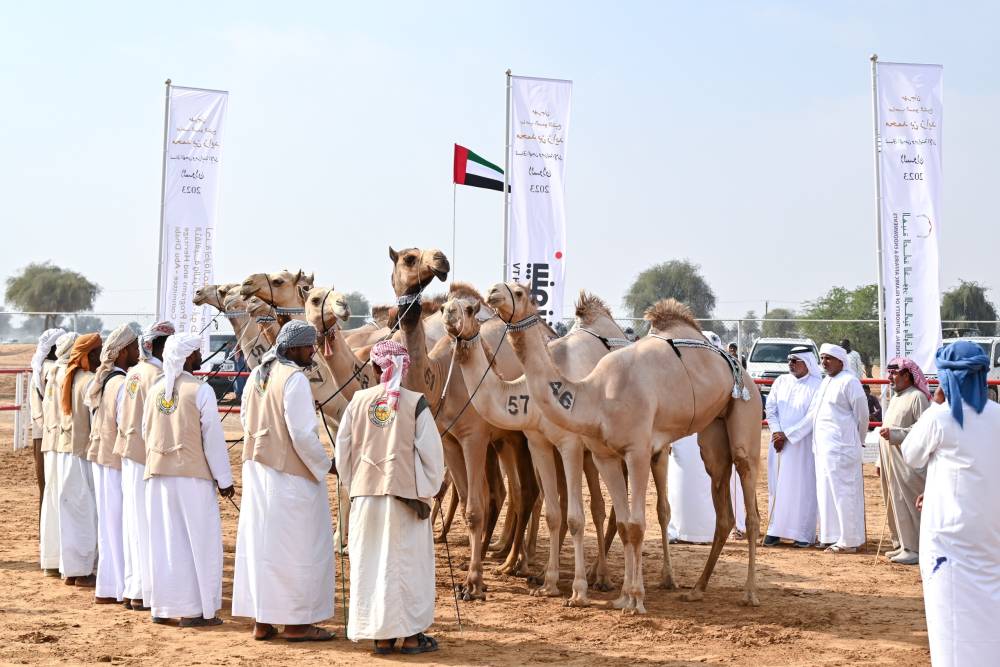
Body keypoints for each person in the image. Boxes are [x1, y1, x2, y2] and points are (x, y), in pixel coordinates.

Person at [335, 340, 445, 655]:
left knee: (371, 566)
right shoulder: (416, 403)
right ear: (405, 369)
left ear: (373, 368)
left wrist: (355, 484)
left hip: (366, 498)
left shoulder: (357, 401)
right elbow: (433, 459)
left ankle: (381, 638)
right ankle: (410, 638)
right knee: (406, 567)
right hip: (405, 500)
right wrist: (424, 491)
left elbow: (343, 452)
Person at [233, 321, 336, 642]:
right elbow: (303, 435)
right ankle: (296, 625)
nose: (313, 352)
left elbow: (245, 420)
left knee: (262, 547)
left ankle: (262, 621)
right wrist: (327, 465)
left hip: (258, 472)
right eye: (309, 347)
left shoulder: (257, 376)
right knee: (298, 549)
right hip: (291, 478)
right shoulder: (294, 379)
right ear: (292, 348)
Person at [902, 341, 1000, 665]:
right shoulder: (998, 417)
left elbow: (911, 454)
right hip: (991, 532)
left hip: (949, 539)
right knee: (990, 605)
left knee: (950, 619)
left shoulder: (940, 418)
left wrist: (936, 404)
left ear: (946, 380)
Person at [142, 333, 234, 627]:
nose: (198, 358)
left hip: (158, 476)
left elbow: (146, 432)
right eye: (196, 353)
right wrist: (224, 480)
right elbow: (213, 442)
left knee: (166, 541)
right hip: (192, 479)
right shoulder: (201, 390)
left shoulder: (156, 389)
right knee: (200, 542)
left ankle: (164, 607)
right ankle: (197, 611)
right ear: (187, 357)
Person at [115, 321, 174, 611]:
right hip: (145, 456)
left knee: (134, 525)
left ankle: (133, 588)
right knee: (148, 526)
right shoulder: (157, 375)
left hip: (129, 454)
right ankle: (143, 592)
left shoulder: (134, 373)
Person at [790, 343, 868, 553]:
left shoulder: (850, 382)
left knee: (844, 494)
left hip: (843, 449)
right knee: (826, 493)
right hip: (823, 449)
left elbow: (862, 415)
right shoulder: (826, 382)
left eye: (828, 358)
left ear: (841, 361)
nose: (824, 362)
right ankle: (831, 536)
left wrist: (856, 441)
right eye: (822, 358)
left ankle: (849, 540)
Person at [85, 324, 139, 604]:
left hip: (101, 457)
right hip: (116, 461)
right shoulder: (121, 383)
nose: (138, 352)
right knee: (121, 524)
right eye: (134, 347)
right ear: (122, 353)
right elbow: (126, 423)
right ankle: (119, 587)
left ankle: (108, 587)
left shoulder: (106, 379)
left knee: (108, 524)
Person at [56, 333, 103, 586]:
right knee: (88, 513)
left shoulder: (69, 377)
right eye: (99, 352)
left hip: (67, 454)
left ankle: (72, 569)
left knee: (72, 512)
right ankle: (85, 571)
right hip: (84, 455)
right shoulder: (90, 381)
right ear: (91, 355)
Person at [763, 346, 822, 547]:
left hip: (802, 445)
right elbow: (770, 408)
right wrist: (777, 432)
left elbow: (813, 416)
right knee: (777, 485)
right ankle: (775, 530)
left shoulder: (817, 385)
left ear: (807, 363)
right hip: (777, 443)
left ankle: (802, 534)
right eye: (789, 360)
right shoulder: (781, 381)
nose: (791, 364)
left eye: (795, 360)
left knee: (802, 487)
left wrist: (788, 435)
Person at [877, 357, 931, 566]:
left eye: (894, 373)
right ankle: (901, 543)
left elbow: (924, 430)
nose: (889, 377)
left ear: (907, 375)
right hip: (890, 460)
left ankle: (915, 547)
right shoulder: (897, 397)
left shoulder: (917, 397)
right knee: (894, 502)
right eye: (889, 373)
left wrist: (896, 434)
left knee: (908, 503)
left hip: (907, 463)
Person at [38, 331, 78, 577]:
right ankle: (68, 563)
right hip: (67, 444)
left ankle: (52, 560)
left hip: (51, 442)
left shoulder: (47, 370)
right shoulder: (68, 374)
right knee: (69, 502)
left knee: (53, 501)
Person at [30, 328, 66, 520]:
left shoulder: (38, 368)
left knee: (45, 487)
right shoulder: (52, 369)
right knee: (53, 486)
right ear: (53, 347)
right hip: (51, 434)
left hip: (40, 434)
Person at [667, 434, 716, 544]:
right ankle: (679, 530)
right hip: (681, 433)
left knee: (701, 475)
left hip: (702, 431)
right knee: (680, 478)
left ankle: (703, 532)